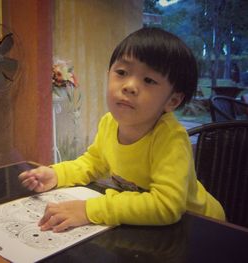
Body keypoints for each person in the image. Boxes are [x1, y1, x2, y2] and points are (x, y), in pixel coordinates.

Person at [19, 27, 225, 232]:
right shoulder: (109, 123)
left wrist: (89, 210)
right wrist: (57, 175)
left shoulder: (171, 138)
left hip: (203, 228)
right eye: (122, 72)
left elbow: (166, 205)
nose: (129, 86)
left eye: (149, 80)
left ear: (172, 101)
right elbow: (93, 163)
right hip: (157, 230)